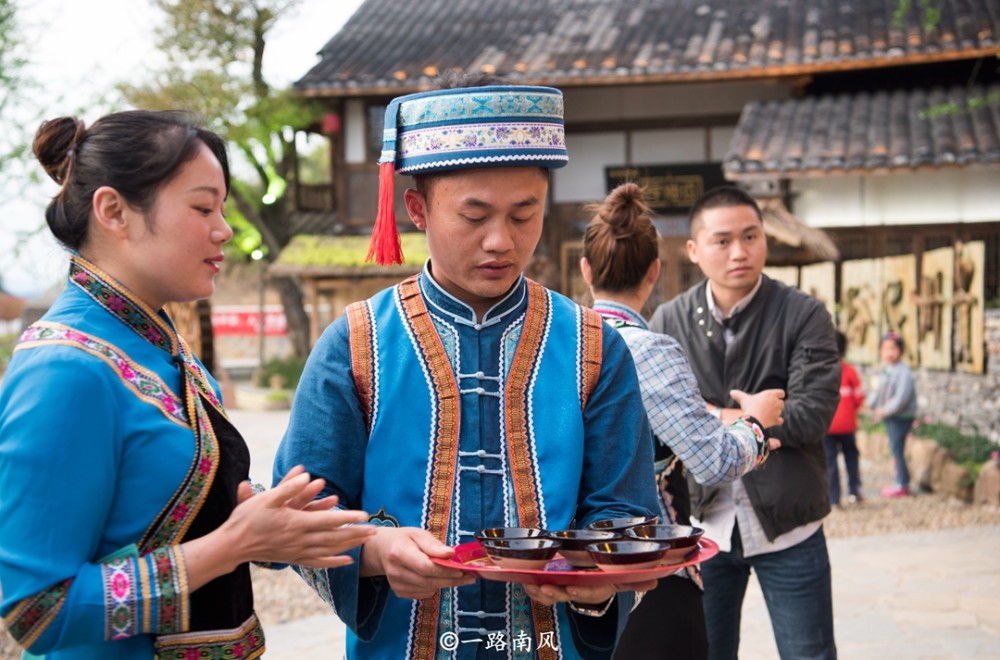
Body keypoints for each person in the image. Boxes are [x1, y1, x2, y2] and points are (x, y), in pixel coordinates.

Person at [272, 74, 660, 659]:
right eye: (474, 216)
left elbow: (623, 511)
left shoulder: (594, 347)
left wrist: (600, 578)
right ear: (417, 208)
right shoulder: (355, 344)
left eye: (524, 214)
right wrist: (374, 554)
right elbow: (295, 518)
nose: (501, 240)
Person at [0, 110, 375, 660]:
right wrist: (234, 544)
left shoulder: (162, 350)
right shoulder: (66, 370)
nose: (223, 228)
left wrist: (366, 541)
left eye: (221, 208)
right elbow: (38, 611)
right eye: (203, 207)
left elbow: (204, 516)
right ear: (114, 211)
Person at [579, 183, 786, 660]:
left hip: (567, 573)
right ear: (655, 271)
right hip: (647, 576)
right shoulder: (649, 351)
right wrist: (754, 423)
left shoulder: (555, 344)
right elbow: (712, 461)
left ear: (586, 270)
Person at [648, 185, 841, 660]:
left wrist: (705, 418)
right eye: (722, 240)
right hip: (702, 524)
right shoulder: (670, 320)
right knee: (706, 652)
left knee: (809, 653)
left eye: (751, 236)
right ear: (694, 250)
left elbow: (812, 414)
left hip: (789, 522)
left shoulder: (804, 313)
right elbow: (656, 417)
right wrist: (747, 416)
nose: (740, 251)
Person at [868, 330, 917, 497]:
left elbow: (901, 398)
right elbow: (878, 392)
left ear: (901, 351)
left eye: (893, 348)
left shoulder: (904, 371)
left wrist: (883, 411)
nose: (889, 352)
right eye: (885, 348)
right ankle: (902, 479)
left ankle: (902, 483)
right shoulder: (886, 369)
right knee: (895, 449)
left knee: (897, 450)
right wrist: (871, 404)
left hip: (901, 417)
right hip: (890, 416)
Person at [825, 330, 865, 506]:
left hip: (827, 426)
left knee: (830, 462)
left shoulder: (822, 373)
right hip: (848, 426)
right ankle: (854, 492)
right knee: (851, 458)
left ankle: (834, 498)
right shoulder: (850, 371)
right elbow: (859, 398)